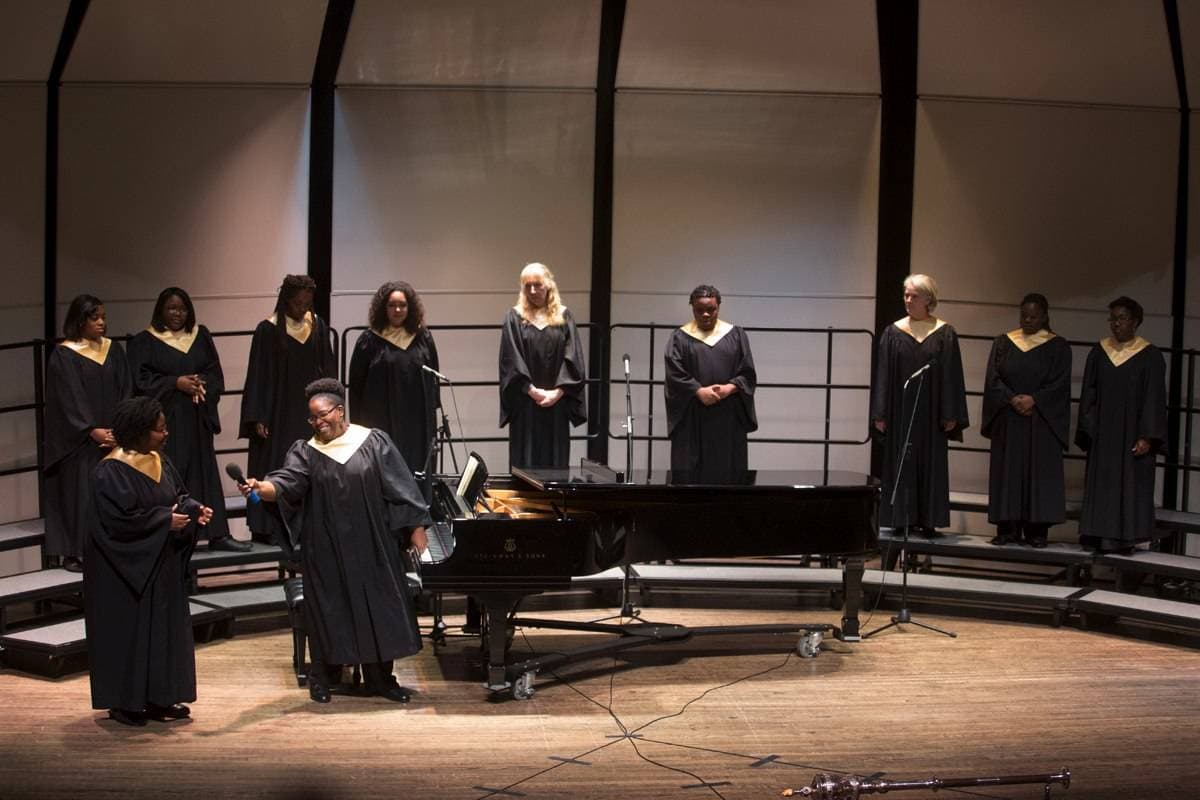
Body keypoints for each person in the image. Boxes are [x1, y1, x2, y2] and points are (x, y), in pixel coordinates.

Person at [240, 379, 430, 704]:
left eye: (322, 415)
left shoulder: (372, 441)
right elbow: (288, 482)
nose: (317, 423)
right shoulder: (306, 451)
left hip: (373, 544)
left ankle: (381, 678)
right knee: (328, 610)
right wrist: (262, 488)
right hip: (325, 546)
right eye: (312, 418)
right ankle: (324, 677)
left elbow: (401, 486)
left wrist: (416, 527)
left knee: (379, 608)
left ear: (339, 411)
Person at [85, 396, 214, 726]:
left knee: (164, 634)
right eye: (160, 429)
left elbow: (176, 496)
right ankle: (125, 703)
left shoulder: (159, 460)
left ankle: (161, 697)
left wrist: (194, 509)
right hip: (125, 574)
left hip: (161, 565)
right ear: (140, 432)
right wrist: (163, 522)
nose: (166, 433)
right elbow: (116, 523)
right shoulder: (110, 472)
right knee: (132, 637)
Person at [128, 288, 250, 552]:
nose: (177, 314)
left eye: (182, 309)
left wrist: (201, 384)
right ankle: (174, 535)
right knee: (171, 477)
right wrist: (175, 383)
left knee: (205, 473)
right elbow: (140, 381)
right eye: (171, 308)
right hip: (166, 422)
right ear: (161, 310)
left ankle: (218, 534)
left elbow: (214, 373)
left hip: (197, 417)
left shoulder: (201, 336)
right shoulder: (144, 342)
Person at [238, 275, 335, 544]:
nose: (301, 308)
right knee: (276, 464)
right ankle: (268, 527)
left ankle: (308, 524)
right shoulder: (267, 329)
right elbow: (257, 376)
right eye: (296, 302)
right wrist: (258, 415)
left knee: (308, 465)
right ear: (285, 300)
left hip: (308, 411)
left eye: (306, 302)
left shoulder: (317, 326)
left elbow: (327, 369)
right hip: (277, 412)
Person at [870, 274, 969, 534]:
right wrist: (880, 412)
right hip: (900, 411)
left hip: (932, 413)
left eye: (914, 295)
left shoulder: (944, 333)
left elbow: (951, 376)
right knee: (902, 461)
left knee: (929, 463)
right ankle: (902, 519)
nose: (908, 300)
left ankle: (927, 520)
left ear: (929, 299)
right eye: (906, 294)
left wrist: (950, 413)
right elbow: (882, 375)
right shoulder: (893, 332)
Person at [43, 294, 132, 572]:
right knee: (81, 493)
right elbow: (69, 398)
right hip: (81, 442)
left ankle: (112, 546)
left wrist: (121, 427)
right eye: (95, 318)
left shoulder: (113, 350)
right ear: (80, 321)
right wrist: (91, 429)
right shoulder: (65, 354)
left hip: (114, 435)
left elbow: (125, 389)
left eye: (103, 317)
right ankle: (77, 552)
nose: (101, 323)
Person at [1075, 296, 1167, 554]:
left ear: (1135, 322)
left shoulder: (1150, 356)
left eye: (1122, 318)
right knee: (1101, 484)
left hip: (1131, 435)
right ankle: (1096, 535)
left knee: (1128, 485)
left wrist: (1147, 436)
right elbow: (1089, 392)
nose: (1117, 324)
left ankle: (1124, 539)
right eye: (1113, 319)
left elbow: (1154, 400)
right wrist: (1090, 426)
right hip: (1103, 434)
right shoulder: (1100, 352)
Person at [980, 294, 1072, 548]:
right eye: (1024, 316)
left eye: (1033, 316)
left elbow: (1060, 385)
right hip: (1009, 420)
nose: (1028, 321)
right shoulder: (1004, 343)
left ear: (1044, 316)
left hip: (1040, 421)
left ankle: (1036, 531)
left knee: (1038, 474)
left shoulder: (1058, 347)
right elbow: (993, 379)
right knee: (1008, 473)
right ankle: (1006, 529)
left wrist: (1035, 399)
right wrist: (1012, 399)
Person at [348, 281, 441, 493]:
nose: (397, 310)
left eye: (402, 305)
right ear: (383, 308)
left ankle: (417, 518)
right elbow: (356, 387)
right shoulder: (369, 340)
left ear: (410, 308)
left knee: (416, 465)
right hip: (381, 420)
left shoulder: (422, 337)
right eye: (391, 305)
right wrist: (357, 426)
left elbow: (433, 377)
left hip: (416, 421)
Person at [664, 285, 758, 482]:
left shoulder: (736, 335)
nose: (705, 314)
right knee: (690, 474)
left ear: (719, 307)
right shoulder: (680, 338)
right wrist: (697, 391)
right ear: (692, 308)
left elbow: (747, 373)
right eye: (699, 310)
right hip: (693, 416)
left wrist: (729, 388)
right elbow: (674, 374)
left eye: (711, 309)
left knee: (729, 472)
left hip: (728, 415)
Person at [498, 263, 586, 469]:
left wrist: (557, 393)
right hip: (525, 404)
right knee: (525, 461)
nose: (532, 291)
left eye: (537, 285)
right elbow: (510, 359)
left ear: (549, 285)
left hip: (557, 405)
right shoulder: (515, 317)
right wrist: (532, 391)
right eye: (527, 286)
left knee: (555, 463)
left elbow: (573, 358)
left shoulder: (563, 317)